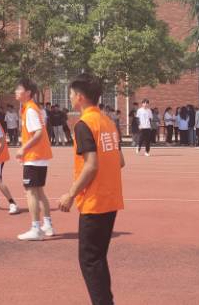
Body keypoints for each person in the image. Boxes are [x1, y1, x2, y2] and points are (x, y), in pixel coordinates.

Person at [58, 74, 125, 305]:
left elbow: (91, 166)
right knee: (97, 258)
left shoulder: (84, 124)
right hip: (111, 198)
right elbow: (120, 161)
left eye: (70, 94)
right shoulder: (108, 122)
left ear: (79, 97)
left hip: (94, 202)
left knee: (89, 260)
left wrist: (70, 194)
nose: (69, 98)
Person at [14, 78, 55, 241]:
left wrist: (23, 149)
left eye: (19, 89)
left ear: (28, 92)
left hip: (35, 156)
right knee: (39, 191)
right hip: (39, 156)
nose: (16, 91)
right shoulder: (30, 108)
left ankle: (36, 229)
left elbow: (38, 133)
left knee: (30, 191)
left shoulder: (30, 109)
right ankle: (47, 224)